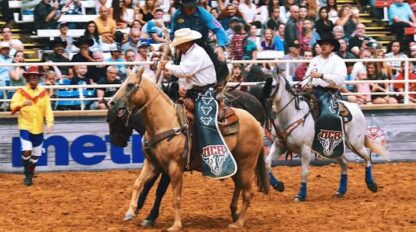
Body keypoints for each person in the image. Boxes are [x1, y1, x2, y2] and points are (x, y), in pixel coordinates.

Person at [10, 66, 54, 186]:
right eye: (32, 76)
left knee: (36, 155)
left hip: (38, 127)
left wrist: (49, 123)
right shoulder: (20, 91)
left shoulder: (43, 93)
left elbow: (48, 110)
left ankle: (30, 171)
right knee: (26, 150)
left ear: (38, 78)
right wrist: (23, 103)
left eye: (36, 76)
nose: (34, 78)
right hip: (25, 125)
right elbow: (12, 106)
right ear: (28, 78)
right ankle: (27, 175)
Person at [304, 36, 347, 156]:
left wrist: (322, 75)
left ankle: (326, 146)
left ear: (332, 47)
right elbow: (307, 77)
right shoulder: (314, 60)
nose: (323, 46)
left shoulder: (338, 61)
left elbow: (340, 79)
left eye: (326, 43)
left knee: (328, 115)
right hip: (313, 91)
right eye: (322, 43)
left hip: (330, 92)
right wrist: (305, 85)